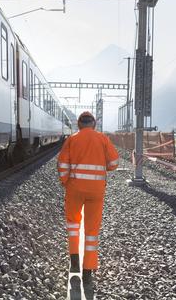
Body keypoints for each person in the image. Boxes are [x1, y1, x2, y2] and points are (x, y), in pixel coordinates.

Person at [57, 111, 119, 298]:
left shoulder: (72, 139)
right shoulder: (102, 139)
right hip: (96, 191)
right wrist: (102, 166)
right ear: (93, 124)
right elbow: (114, 162)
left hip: (75, 189)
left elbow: (62, 165)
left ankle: (74, 261)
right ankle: (88, 272)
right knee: (91, 232)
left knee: (73, 225)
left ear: (79, 125)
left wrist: (66, 182)